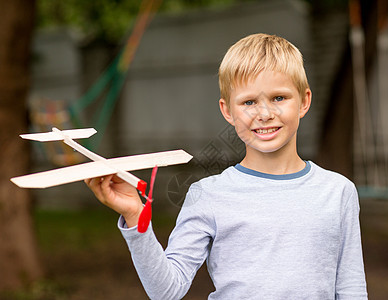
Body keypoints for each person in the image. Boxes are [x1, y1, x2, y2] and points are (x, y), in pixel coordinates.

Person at [85, 33, 368, 299]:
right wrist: (136, 216)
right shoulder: (207, 195)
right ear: (228, 111)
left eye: (279, 98)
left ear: (304, 101)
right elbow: (167, 291)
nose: (265, 114)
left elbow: (351, 289)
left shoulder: (338, 191)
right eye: (248, 102)